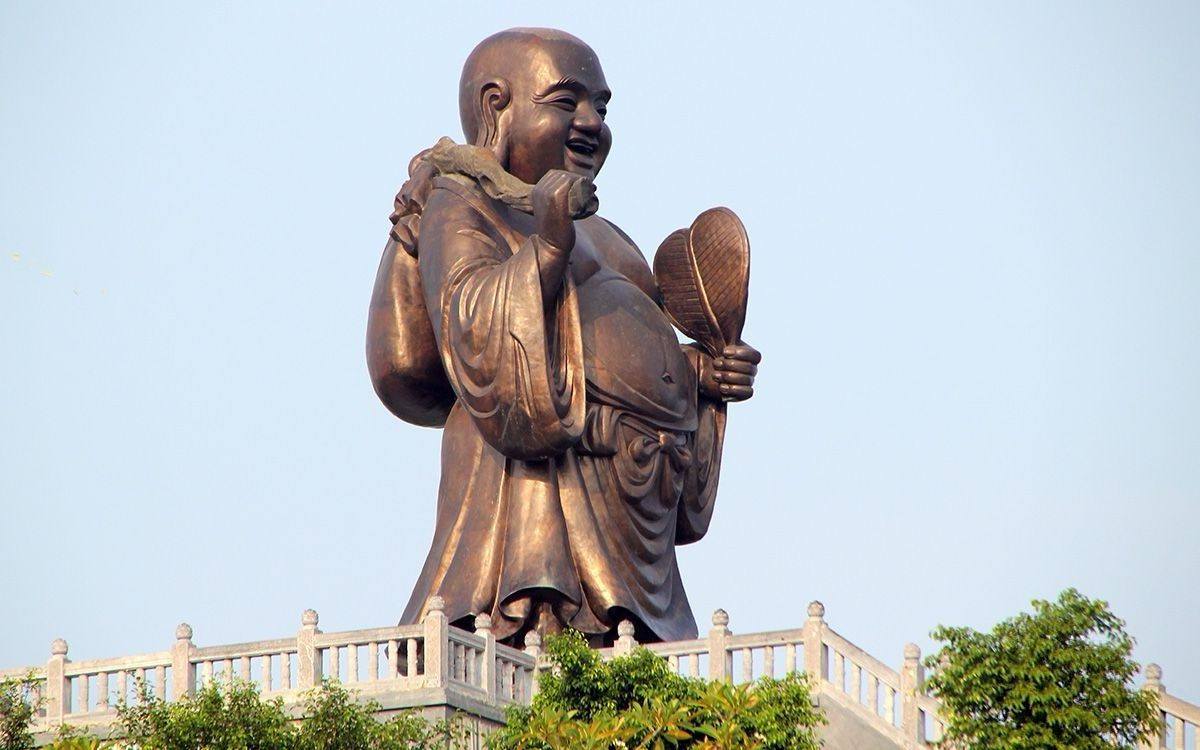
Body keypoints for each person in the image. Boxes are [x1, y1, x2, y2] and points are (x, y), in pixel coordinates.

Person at [375, 28, 760, 646]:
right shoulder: (465, 203)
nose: (591, 123)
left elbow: (634, 352)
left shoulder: (610, 238)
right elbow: (469, 319)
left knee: (628, 659)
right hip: (532, 489)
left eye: (601, 108)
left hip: (630, 498)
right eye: (566, 101)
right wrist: (547, 250)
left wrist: (701, 377)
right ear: (496, 105)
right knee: (541, 638)